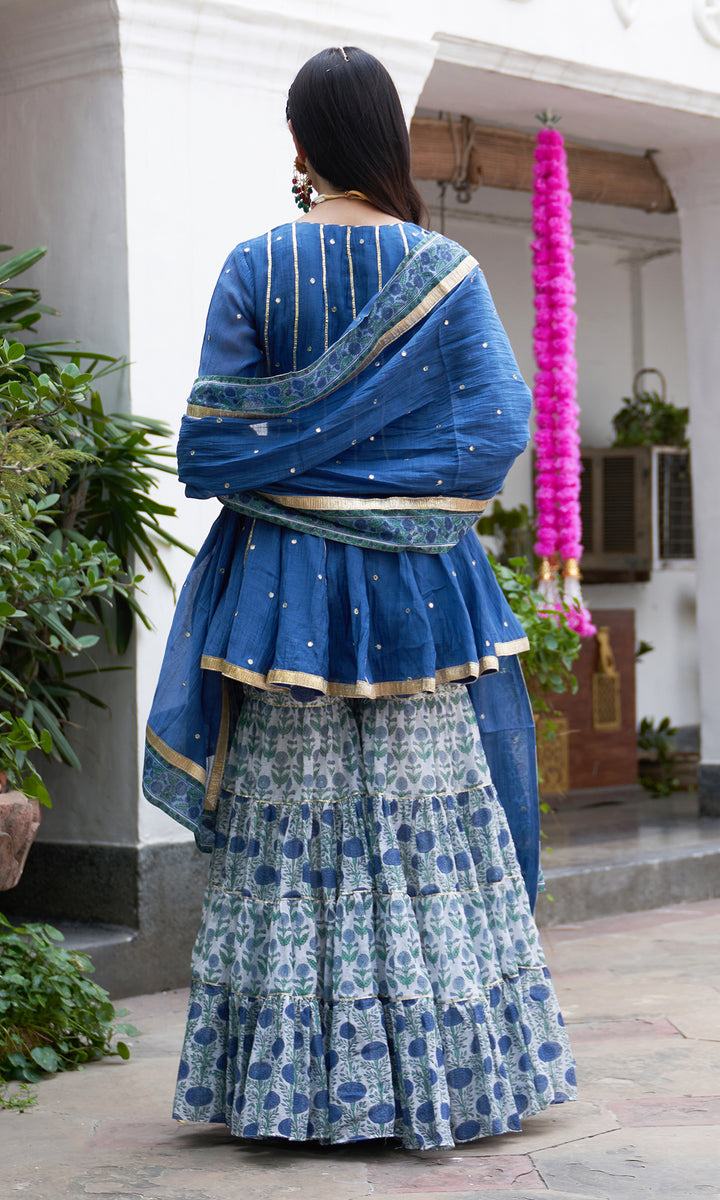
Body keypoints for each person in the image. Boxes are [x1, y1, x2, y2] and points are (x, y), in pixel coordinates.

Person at [143, 45, 577, 1149]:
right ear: (391, 138)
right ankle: (450, 1079)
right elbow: (493, 432)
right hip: (419, 589)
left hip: (284, 590)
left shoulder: (258, 266)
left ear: (298, 142)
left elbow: (220, 441)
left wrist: (302, 481)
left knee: (296, 825)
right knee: (426, 819)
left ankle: (288, 1092)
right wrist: (388, 491)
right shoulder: (445, 273)